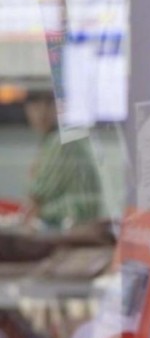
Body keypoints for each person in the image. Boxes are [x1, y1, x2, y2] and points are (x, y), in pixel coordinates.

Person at [21, 88, 104, 231]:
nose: (42, 111)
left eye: (49, 103)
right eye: (36, 104)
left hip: (71, 229)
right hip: (70, 227)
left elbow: (36, 199)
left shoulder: (61, 140)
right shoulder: (54, 139)